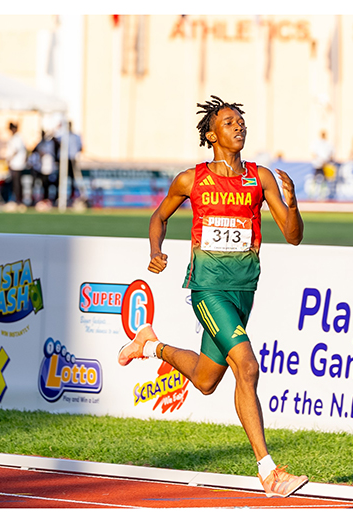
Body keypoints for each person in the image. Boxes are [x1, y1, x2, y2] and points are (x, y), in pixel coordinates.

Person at [118, 95, 308, 498]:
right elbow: (160, 215)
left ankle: (150, 346)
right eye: (229, 122)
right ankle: (269, 470)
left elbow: (293, 237)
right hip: (208, 288)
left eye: (241, 121)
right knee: (248, 367)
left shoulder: (260, 178)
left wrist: (293, 203)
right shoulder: (192, 179)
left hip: (244, 289)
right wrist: (156, 250)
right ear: (211, 134)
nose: (239, 127)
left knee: (206, 380)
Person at [2, 122, 27, 207]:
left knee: (17, 183)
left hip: (17, 164)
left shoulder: (17, 137)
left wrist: (9, 159)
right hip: (15, 164)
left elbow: (15, 150)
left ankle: (18, 200)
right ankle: (16, 199)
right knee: (14, 183)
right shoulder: (15, 137)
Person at [310, 129, 334, 199]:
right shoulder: (316, 143)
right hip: (317, 164)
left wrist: (325, 161)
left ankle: (323, 195)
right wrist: (319, 160)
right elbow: (313, 153)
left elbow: (331, 154)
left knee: (324, 180)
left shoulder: (328, 144)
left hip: (325, 164)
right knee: (314, 179)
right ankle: (312, 194)